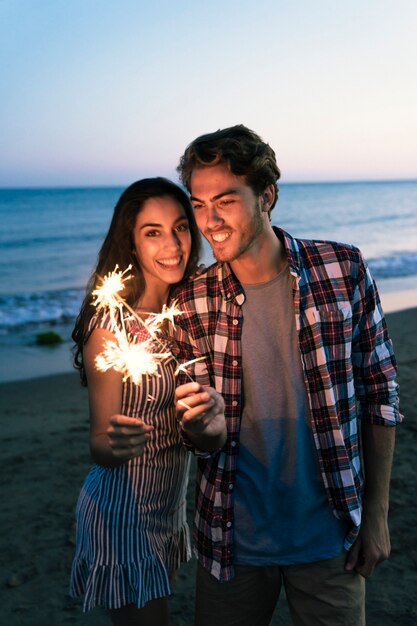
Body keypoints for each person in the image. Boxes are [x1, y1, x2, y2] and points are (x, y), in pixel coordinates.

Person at [172, 125, 403, 626]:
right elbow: (203, 440)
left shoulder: (343, 270)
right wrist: (202, 431)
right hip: (230, 542)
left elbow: (380, 395)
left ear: (267, 196)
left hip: (330, 537)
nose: (209, 222)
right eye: (198, 204)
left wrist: (377, 514)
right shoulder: (191, 299)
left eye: (226, 201)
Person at [69, 177, 202, 626]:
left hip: (169, 507)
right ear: (131, 241)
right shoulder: (110, 326)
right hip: (124, 511)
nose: (173, 244)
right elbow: (98, 444)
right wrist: (117, 442)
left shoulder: (186, 312)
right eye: (153, 232)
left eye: (180, 227)